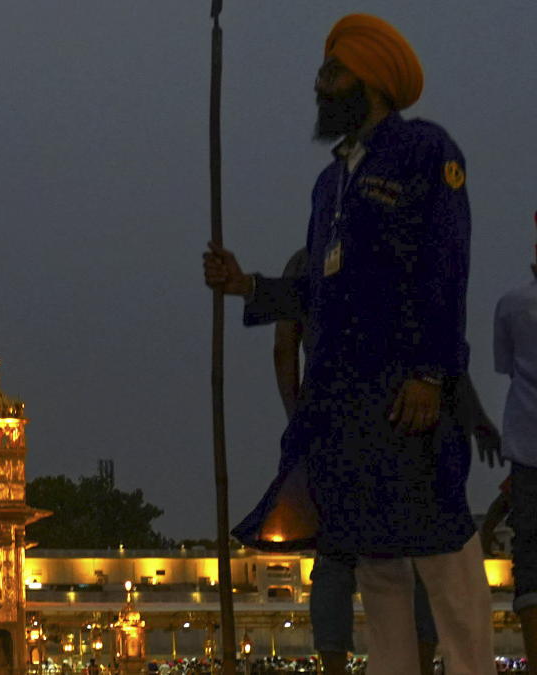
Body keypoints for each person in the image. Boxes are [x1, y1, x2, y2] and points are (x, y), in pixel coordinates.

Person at [203, 13, 494, 675]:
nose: (318, 84)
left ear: (372, 80)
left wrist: (429, 374)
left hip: (408, 395)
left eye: (332, 72)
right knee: (377, 564)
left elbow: (445, 265)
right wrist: (246, 284)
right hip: (345, 404)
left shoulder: (425, 151)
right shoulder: (331, 182)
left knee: (445, 555)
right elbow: (320, 291)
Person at [274, 249, 501, 674]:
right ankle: (417, 661)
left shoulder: (309, 260)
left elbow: (284, 348)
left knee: (338, 559)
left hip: (341, 423)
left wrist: (297, 421)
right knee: (414, 554)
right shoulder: (398, 251)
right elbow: (441, 341)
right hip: (401, 418)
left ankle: (338, 665)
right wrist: (472, 414)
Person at [494, 223, 537, 663]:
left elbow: (504, 364)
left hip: (527, 444)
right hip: (525, 443)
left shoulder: (512, 305)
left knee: (529, 554)